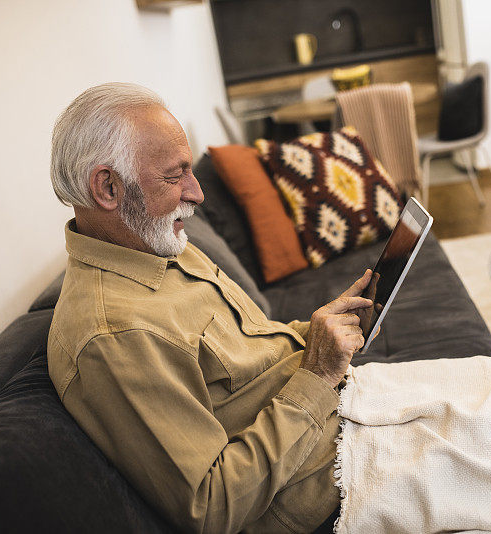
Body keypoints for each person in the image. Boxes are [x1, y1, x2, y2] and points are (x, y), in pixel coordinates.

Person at [46, 82, 371, 533]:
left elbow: (253, 359)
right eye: (175, 175)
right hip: (336, 485)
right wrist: (316, 377)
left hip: (352, 413)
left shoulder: (160, 242)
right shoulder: (114, 336)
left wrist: (319, 332)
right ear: (107, 187)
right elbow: (213, 507)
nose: (197, 193)